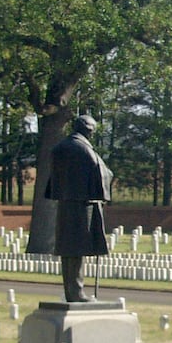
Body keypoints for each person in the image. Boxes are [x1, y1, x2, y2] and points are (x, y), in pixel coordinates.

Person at [43, 114, 113, 302]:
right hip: (81, 205)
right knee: (77, 249)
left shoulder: (59, 148)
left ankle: (71, 291)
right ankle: (77, 292)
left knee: (68, 249)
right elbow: (101, 172)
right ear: (88, 129)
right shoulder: (83, 149)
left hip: (65, 205)